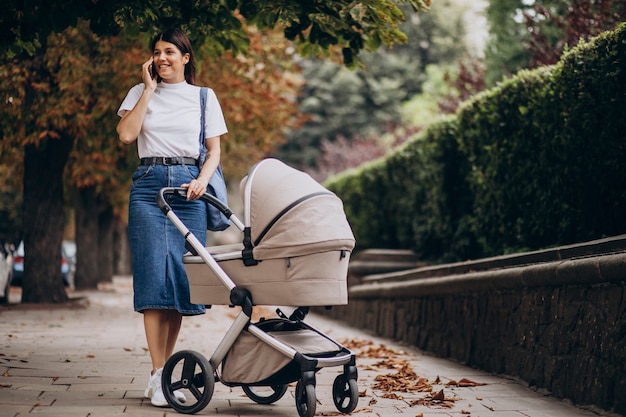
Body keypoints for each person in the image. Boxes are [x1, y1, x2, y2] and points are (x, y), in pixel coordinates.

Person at [116, 28, 228, 407]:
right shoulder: (138, 92)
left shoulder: (204, 97)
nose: (161, 58)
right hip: (148, 188)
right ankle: (159, 374)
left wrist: (201, 181)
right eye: (156, 52)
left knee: (181, 280)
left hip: (189, 189)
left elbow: (213, 152)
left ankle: (164, 371)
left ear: (185, 57)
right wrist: (147, 91)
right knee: (152, 276)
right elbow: (126, 136)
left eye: (169, 52)